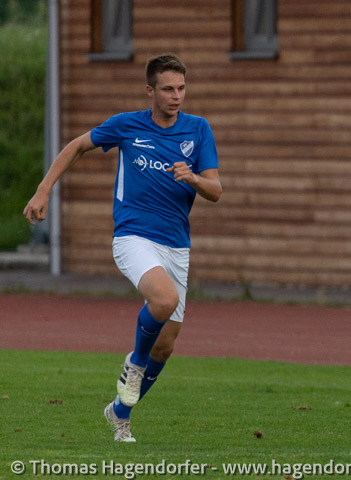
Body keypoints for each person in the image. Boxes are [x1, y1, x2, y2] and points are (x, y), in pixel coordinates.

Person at [23, 54, 222, 442]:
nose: (176, 96)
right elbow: (77, 146)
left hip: (176, 245)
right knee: (163, 301)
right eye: (167, 89)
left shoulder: (198, 129)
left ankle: (119, 413)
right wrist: (43, 191)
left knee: (165, 347)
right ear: (150, 90)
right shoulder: (126, 125)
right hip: (133, 236)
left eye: (181, 88)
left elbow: (215, 190)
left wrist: (193, 178)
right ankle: (135, 362)